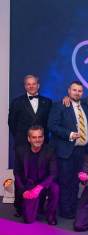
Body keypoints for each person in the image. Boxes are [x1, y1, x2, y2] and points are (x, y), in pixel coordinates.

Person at [8, 74, 52, 216]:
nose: (31, 86)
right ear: (25, 86)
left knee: (41, 175)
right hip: (23, 144)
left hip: (41, 145)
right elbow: (12, 123)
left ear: (38, 85)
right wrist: (22, 140)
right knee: (21, 175)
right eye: (28, 84)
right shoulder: (16, 102)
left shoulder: (47, 102)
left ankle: (39, 206)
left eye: (34, 84)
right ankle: (20, 207)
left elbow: (49, 124)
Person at [48, 81, 88, 219]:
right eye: (74, 90)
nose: (77, 92)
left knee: (75, 182)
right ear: (68, 91)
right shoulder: (60, 105)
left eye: (80, 91)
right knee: (65, 181)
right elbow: (52, 126)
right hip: (66, 151)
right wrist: (70, 134)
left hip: (80, 151)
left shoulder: (84, 105)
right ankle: (65, 211)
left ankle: (73, 208)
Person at [13, 126, 59, 225]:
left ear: (43, 137)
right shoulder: (20, 150)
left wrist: (39, 187)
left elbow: (53, 174)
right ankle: (33, 207)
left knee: (55, 188)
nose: (37, 140)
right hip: (28, 185)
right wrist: (23, 190)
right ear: (29, 139)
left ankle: (51, 214)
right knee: (28, 220)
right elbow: (16, 173)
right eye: (34, 137)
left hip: (44, 184)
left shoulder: (50, 150)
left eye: (40, 136)